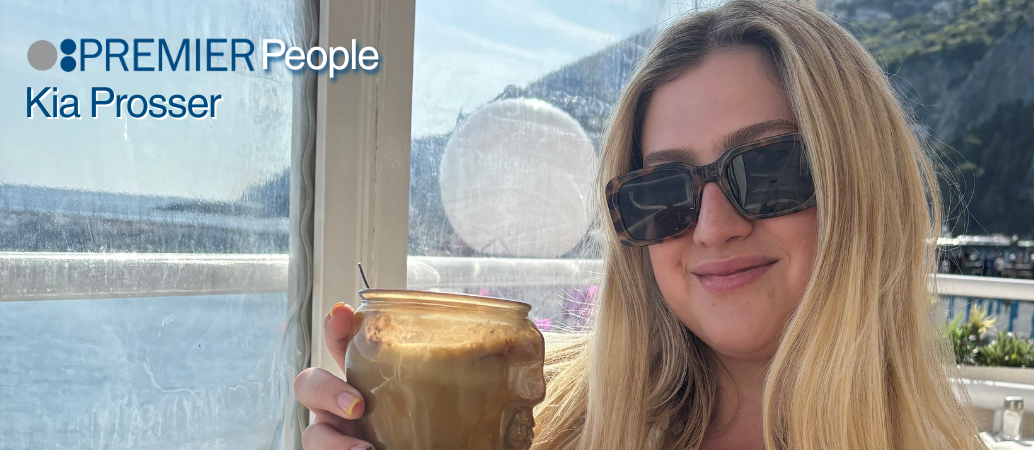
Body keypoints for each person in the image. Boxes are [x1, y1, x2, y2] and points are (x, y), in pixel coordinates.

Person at [292, 1, 983, 449]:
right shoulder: (532, 418)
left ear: (861, 183)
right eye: (662, 191)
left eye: (769, 170)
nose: (712, 227)